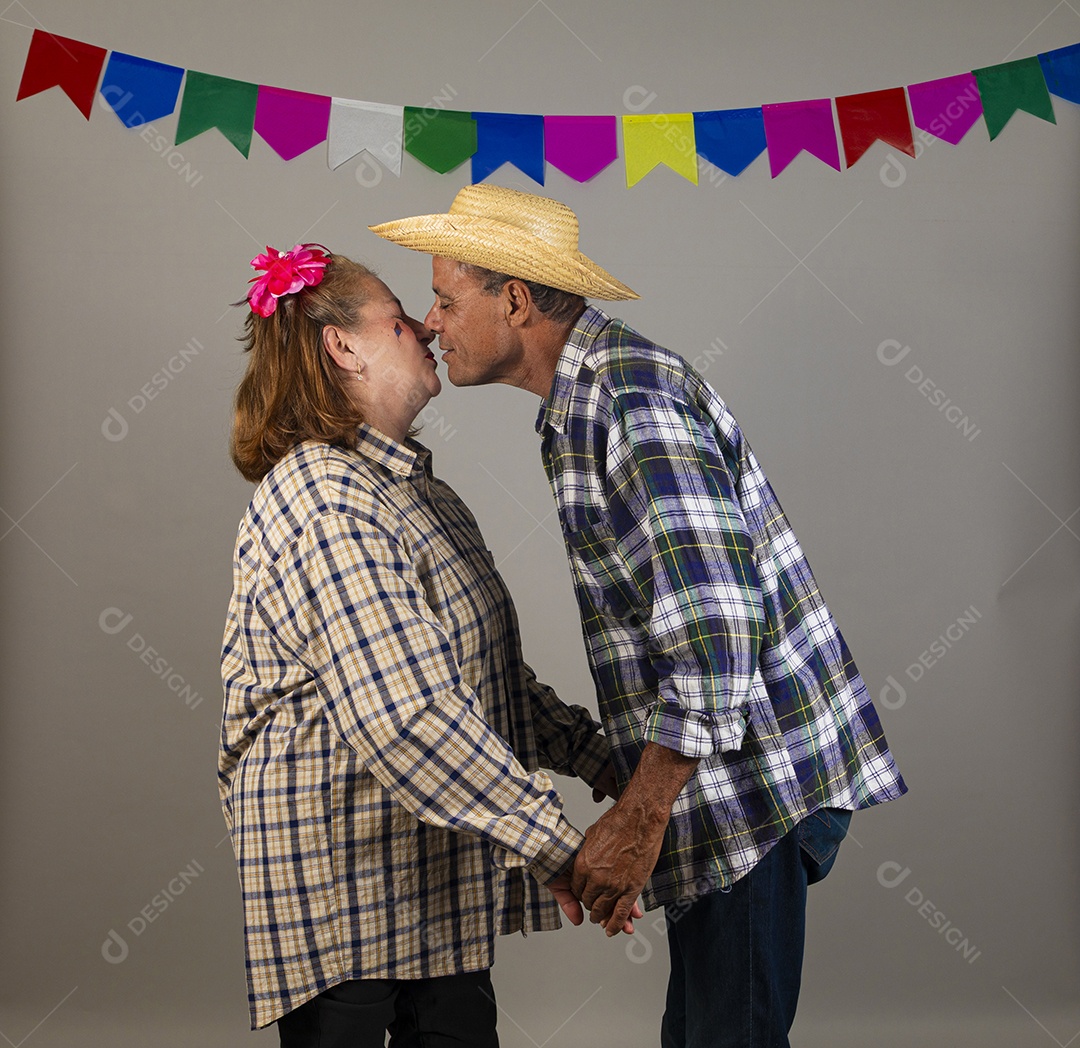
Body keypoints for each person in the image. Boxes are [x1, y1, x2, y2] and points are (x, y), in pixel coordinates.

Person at [370, 185, 909, 1048]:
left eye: (444, 299)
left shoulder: (628, 394)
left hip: (751, 787)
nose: (431, 323)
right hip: (716, 788)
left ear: (515, 300)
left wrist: (638, 818)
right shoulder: (583, 401)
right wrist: (637, 803)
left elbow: (715, 627)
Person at [218, 243, 622, 1046]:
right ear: (344, 347)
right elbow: (406, 716)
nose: (430, 329)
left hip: (435, 885)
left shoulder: (418, 495)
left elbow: (489, 684)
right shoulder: (324, 496)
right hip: (346, 894)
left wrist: (614, 767)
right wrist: (560, 848)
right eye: (402, 320)